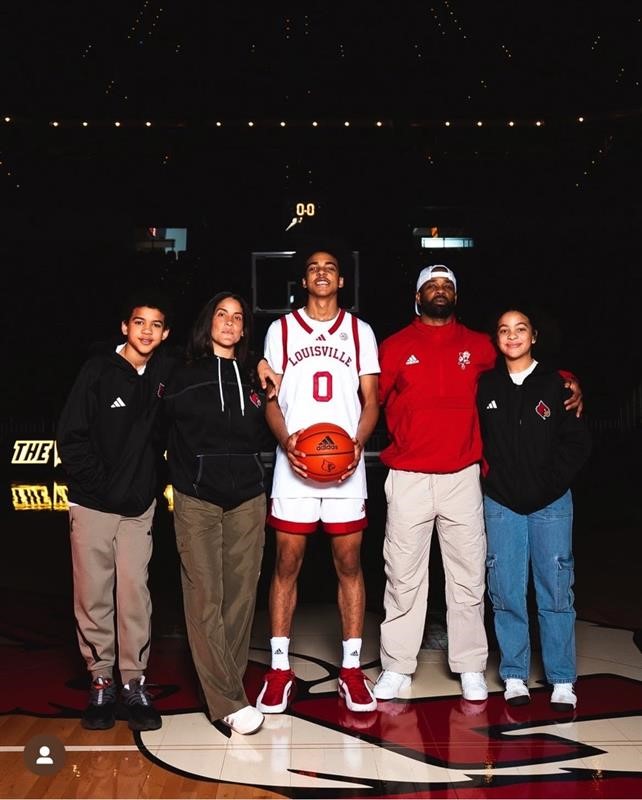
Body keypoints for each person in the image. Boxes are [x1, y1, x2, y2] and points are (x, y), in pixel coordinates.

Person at [373, 264, 583, 703]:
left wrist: (569, 382)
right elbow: (367, 400)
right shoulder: (393, 347)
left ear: (456, 296)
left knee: (468, 577)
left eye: (447, 285)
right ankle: (396, 666)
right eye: (431, 285)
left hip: (464, 476)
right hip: (409, 475)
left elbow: (525, 374)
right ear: (417, 296)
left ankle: (470, 665)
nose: (439, 290)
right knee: (403, 576)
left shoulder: (480, 347)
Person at [255, 245, 381, 714]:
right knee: (286, 563)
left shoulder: (360, 331)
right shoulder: (281, 330)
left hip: (346, 466)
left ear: (341, 281)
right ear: (304, 281)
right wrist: (288, 443)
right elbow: (271, 399)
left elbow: (371, 401)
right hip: (296, 465)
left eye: (330, 268)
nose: (322, 274)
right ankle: (279, 668)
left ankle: (351, 669)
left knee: (349, 562)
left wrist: (356, 448)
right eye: (313, 269)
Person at [56, 289, 177, 731]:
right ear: (124, 327)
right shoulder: (96, 371)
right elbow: (71, 436)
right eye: (139, 322)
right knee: (92, 596)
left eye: (156, 324)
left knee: (133, 595)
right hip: (92, 504)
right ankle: (101, 681)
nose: (147, 331)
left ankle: (133, 682)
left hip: (138, 507)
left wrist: (260, 363)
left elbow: (214, 358)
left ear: (165, 334)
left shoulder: (166, 370)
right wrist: (98, 487)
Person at [164, 292, 279, 736]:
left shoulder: (254, 377)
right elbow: (155, 428)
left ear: (245, 328)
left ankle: (225, 690)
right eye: (221, 315)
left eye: (238, 318)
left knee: (240, 598)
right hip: (197, 498)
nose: (229, 323)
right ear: (207, 322)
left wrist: (266, 373)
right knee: (204, 597)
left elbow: (269, 428)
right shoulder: (180, 373)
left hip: (248, 498)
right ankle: (228, 700)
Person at [477, 308, 591, 711]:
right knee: (506, 589)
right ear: (496, 338)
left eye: (520, 329)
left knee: (556, 590)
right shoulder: (486, 385)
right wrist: (495, 483)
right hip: (502, 503)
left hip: (552, 504)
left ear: (534, 336)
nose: (512, 336)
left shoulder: (558, 384)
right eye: (504, 330)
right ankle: (514, 674)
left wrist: (549, 484)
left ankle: (562, 679)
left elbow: (577, 444)